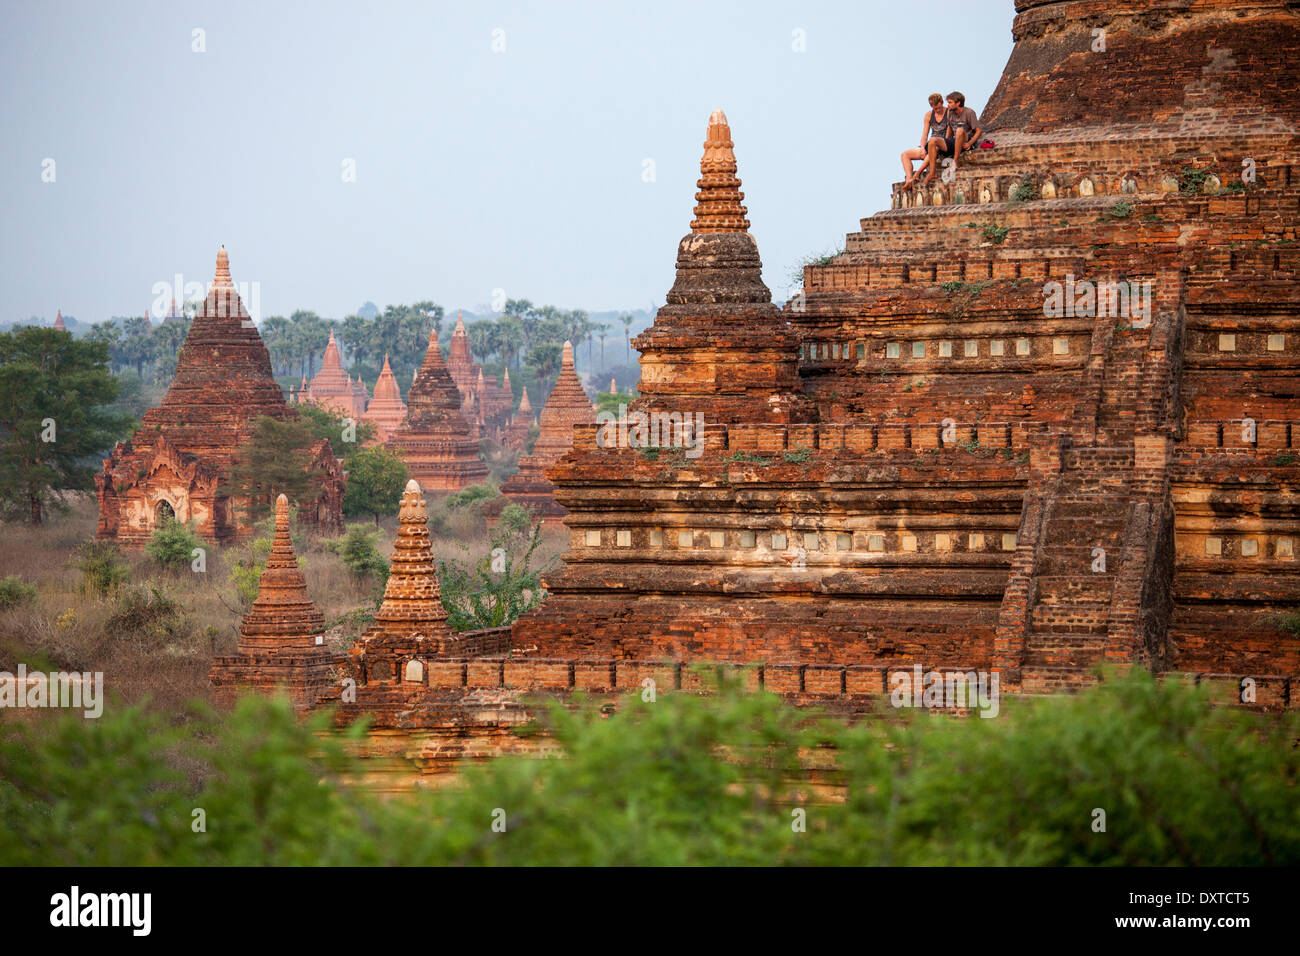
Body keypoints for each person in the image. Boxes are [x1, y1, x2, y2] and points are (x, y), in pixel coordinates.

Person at [922, 91, 983, 186]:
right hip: (954, 140)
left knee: (960, 130)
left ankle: (955, 161)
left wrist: (969, 143)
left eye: (950, 102)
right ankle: (932, 172)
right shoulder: (950, 113)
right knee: (933, 140)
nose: (948, 105)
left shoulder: (969, 112)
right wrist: (945, 141)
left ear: (958, 103)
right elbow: (950, 127)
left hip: (965, 139)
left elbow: (978, 131)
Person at [901, 94, 947, 187]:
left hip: (941, 143)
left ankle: (917, 173)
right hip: (930, 143)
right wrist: (922, 148)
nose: (937, 110)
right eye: (935, 108)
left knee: (933, 148)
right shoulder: (929, 115)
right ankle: (909, 179)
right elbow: (925, 134)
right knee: (905, 154)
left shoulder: (949, 113)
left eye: (938, 108)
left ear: (942, 103)